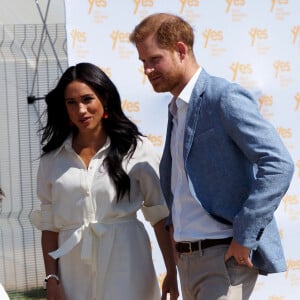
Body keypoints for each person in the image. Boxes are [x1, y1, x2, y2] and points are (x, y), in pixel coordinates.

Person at [129, 13, 295, 300]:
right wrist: (174, 265)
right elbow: (181, 192)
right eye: (143, 62)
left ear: (180, 50)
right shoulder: (176, 109)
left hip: (224, 257)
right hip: (187, 260)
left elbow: (279, 164)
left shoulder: (223, 97)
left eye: (154, 59)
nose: (147, 69)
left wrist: (245, 236)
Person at [30, 62, 178, 300]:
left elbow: (161, 217)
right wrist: (52, 279)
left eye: (88, 99)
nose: (81, 110)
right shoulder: (52, 160)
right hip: (73, 270)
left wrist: (172, 272)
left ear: (105, 98)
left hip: (128, 263)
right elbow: (49, 226)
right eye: (71, 103)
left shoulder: (137, 148)